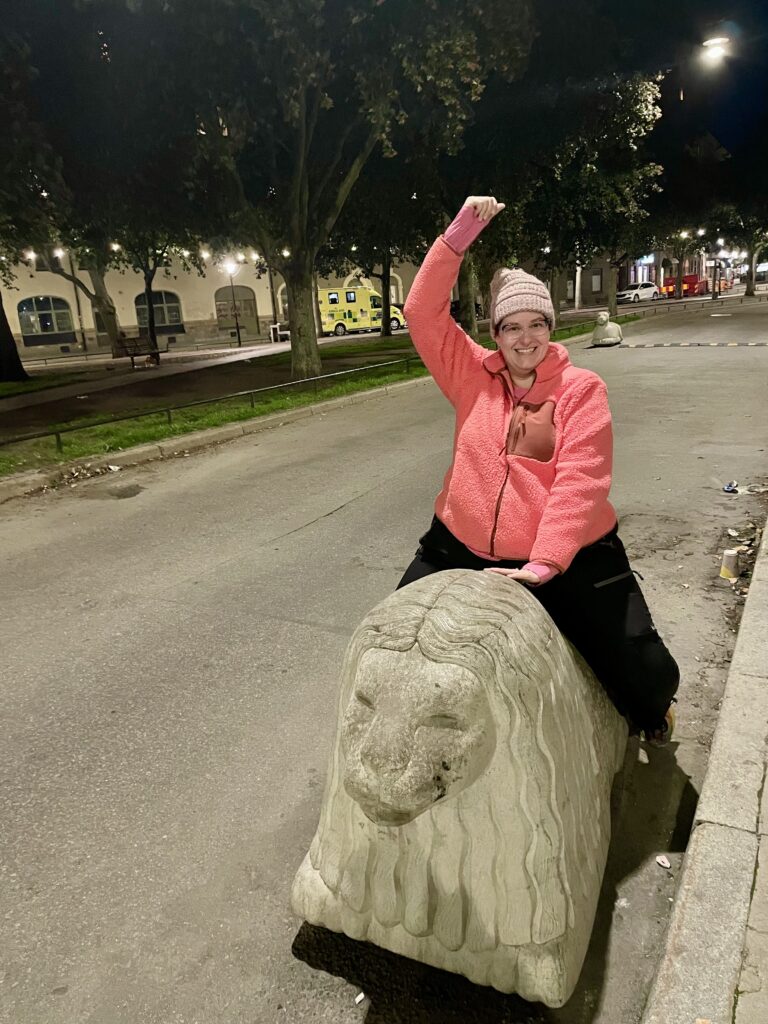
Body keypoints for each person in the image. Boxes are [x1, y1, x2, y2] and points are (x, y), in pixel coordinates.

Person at [398, 195, 679, 745]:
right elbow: (421, 313)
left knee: (637, 666)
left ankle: (654, 714)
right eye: (511, 327)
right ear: (496, 333)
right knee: (397, 636)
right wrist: (454, 240)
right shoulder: (470, 375)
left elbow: (581, 480)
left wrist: (547, 562)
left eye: (536, 324)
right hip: (458, 543)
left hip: (566, 553)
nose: (525, 339)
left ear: (550, 327)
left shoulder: (582, 390)